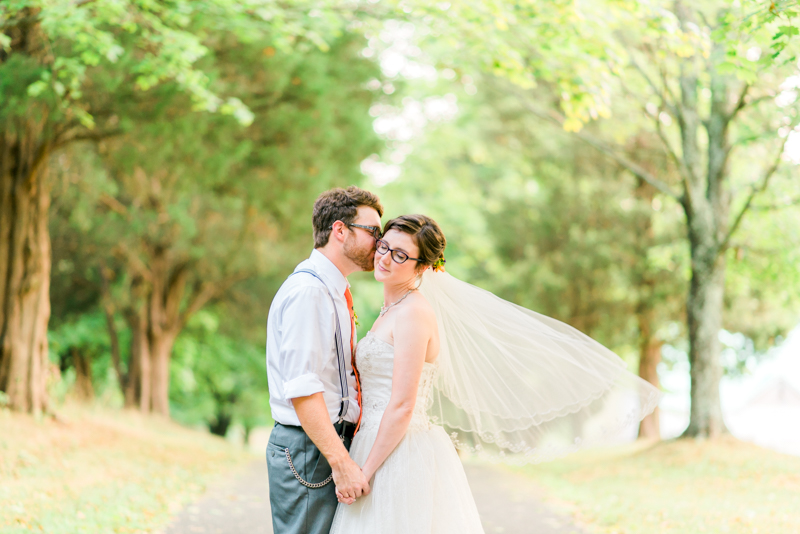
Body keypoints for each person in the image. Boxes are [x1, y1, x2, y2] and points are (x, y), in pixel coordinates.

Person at [329, 214, 661, 533]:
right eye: (385, 246)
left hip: (398, 451)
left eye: (401, 254)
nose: (385, 258)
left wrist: (364, 473)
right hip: (372, 441)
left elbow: (402, 405)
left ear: (424, 266)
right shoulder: (390, 310)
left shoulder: (414, 313)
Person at [265, 186, 383, 534]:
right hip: (310, 450)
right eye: (373, 231)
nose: (380, 242)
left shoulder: (333, 289)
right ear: (340, 230)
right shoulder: (310, 292)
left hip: (323, 445)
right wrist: (340, 461)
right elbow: (303, 388)